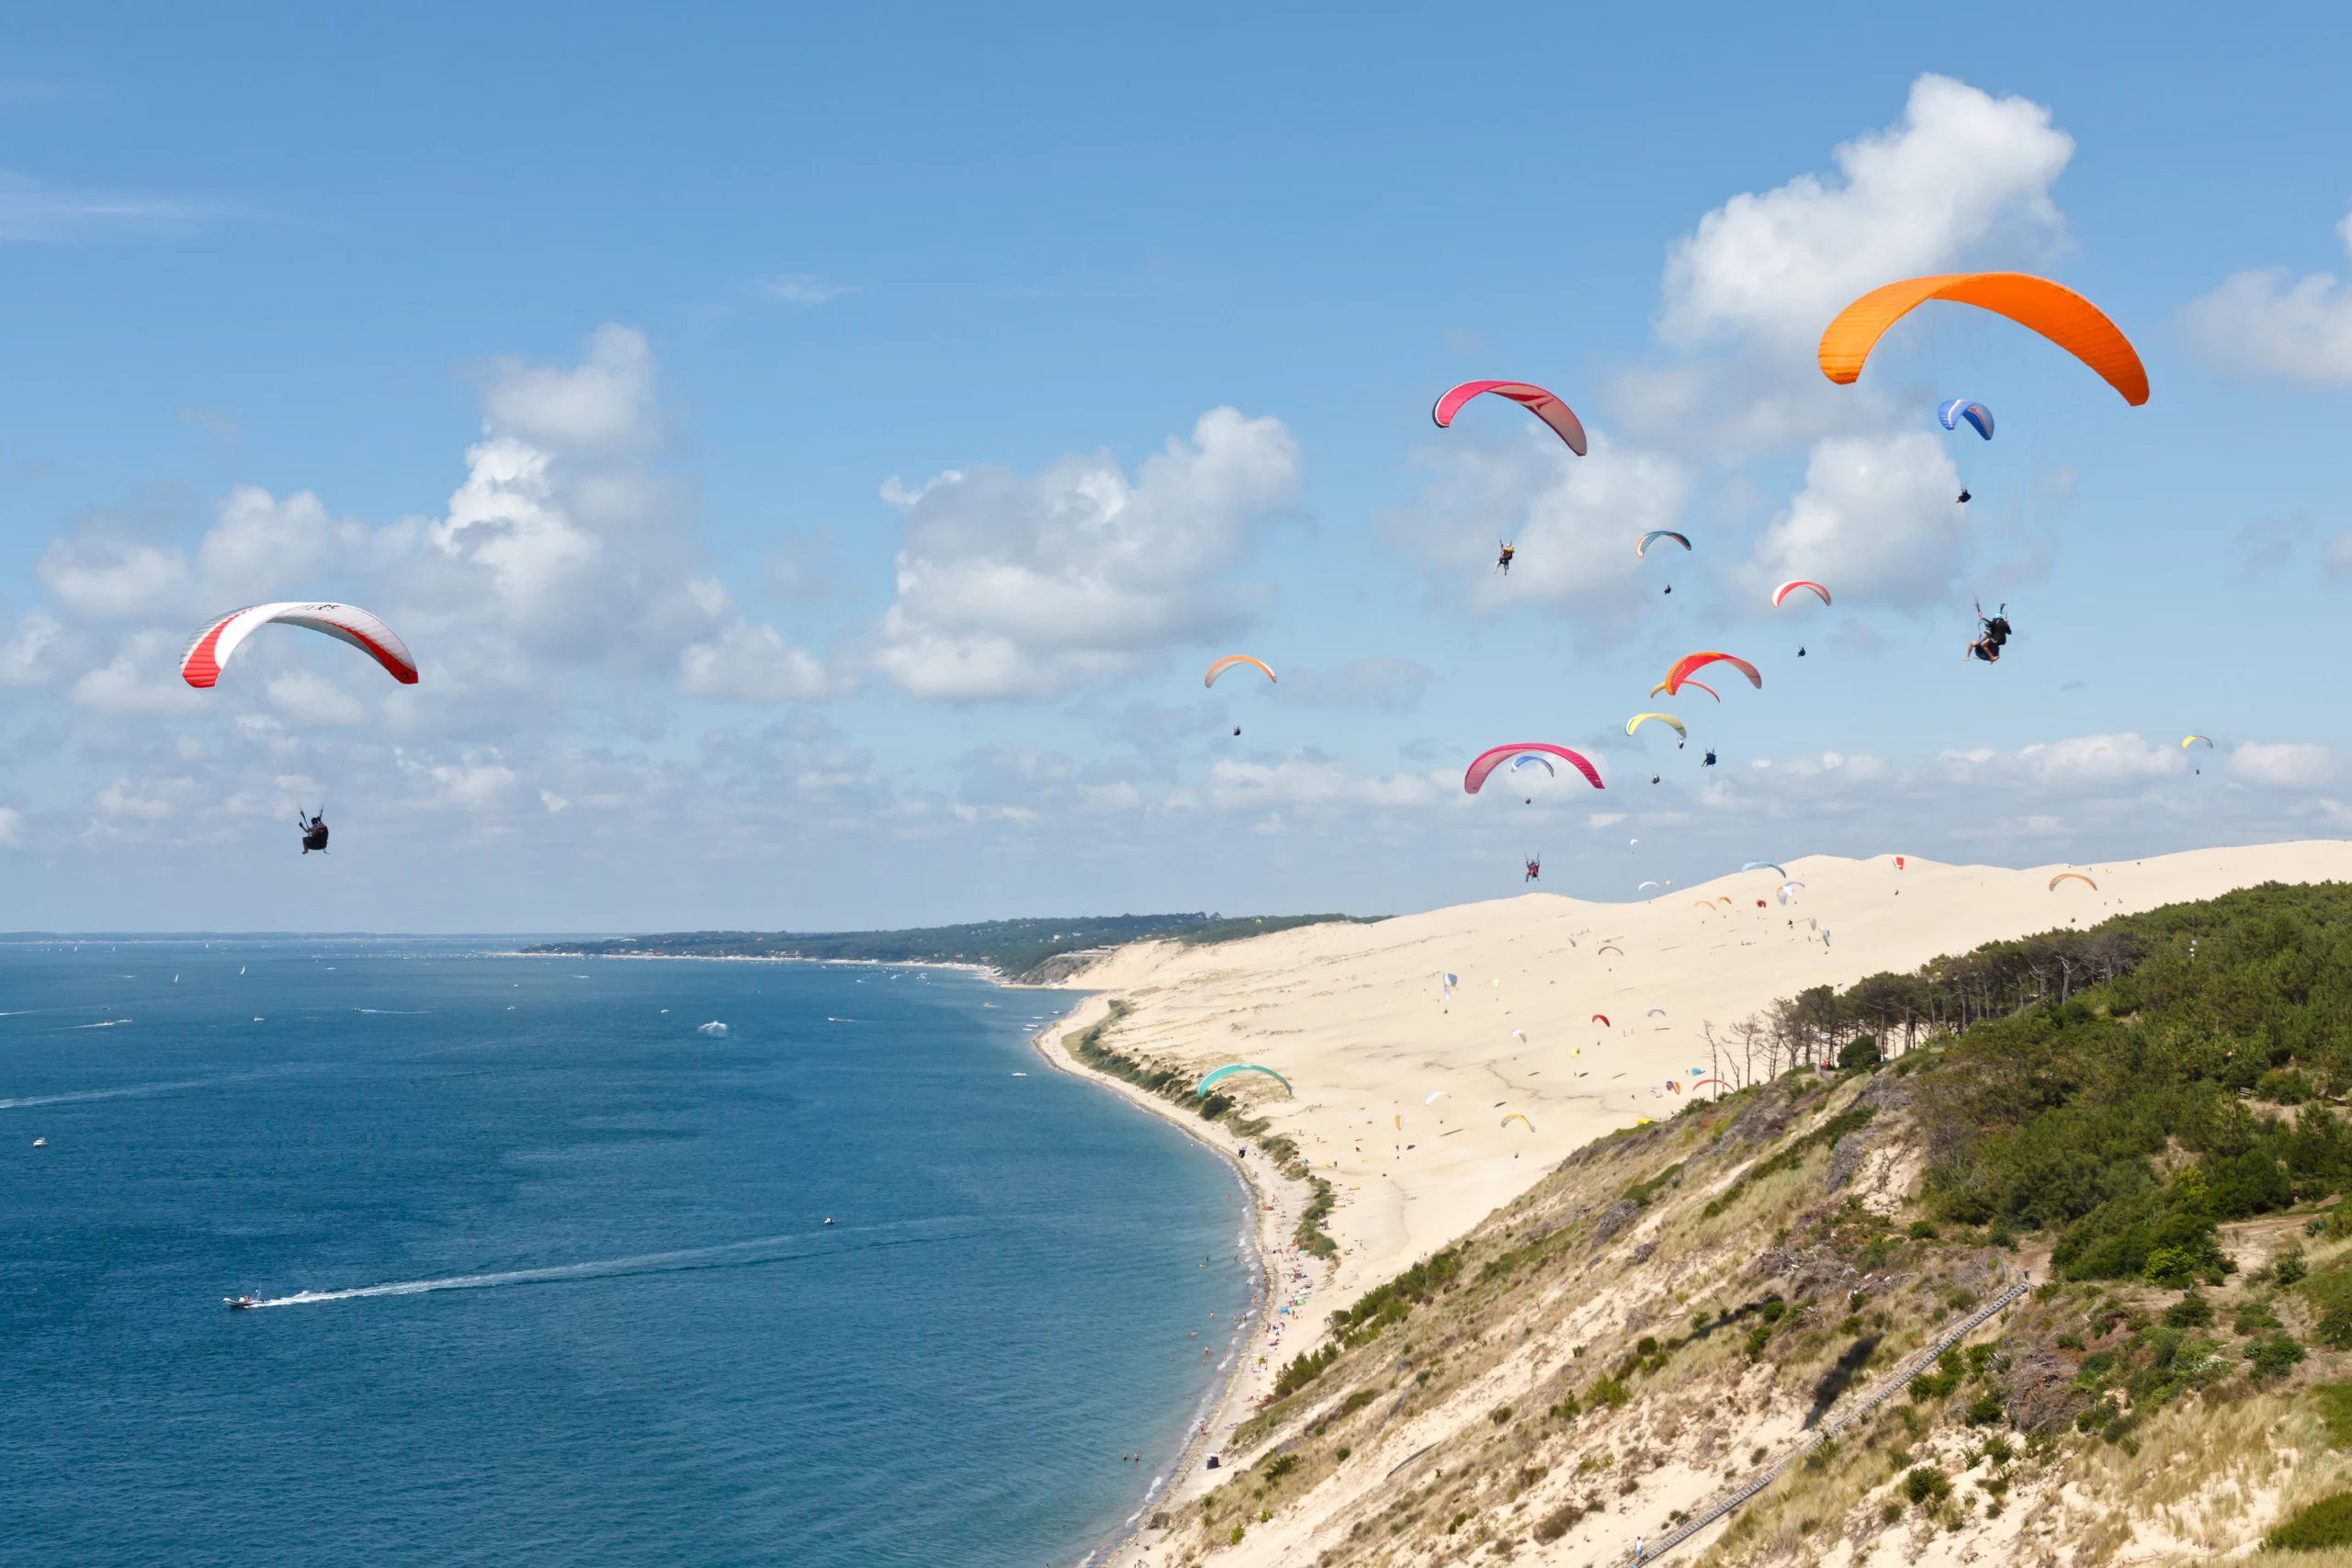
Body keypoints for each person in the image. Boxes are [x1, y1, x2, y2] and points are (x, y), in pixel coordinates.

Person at [1964, 600, 2013, 665]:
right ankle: (1995, 656)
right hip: (2002, 641)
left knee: (1981, 644)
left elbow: (1989, 623)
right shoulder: (2004, 624)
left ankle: (1990, 657)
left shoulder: (1992, 626)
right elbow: (2009, 632)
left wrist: (1981, 617)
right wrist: (2006, 623)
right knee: (1997, 646)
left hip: (1994, 640)